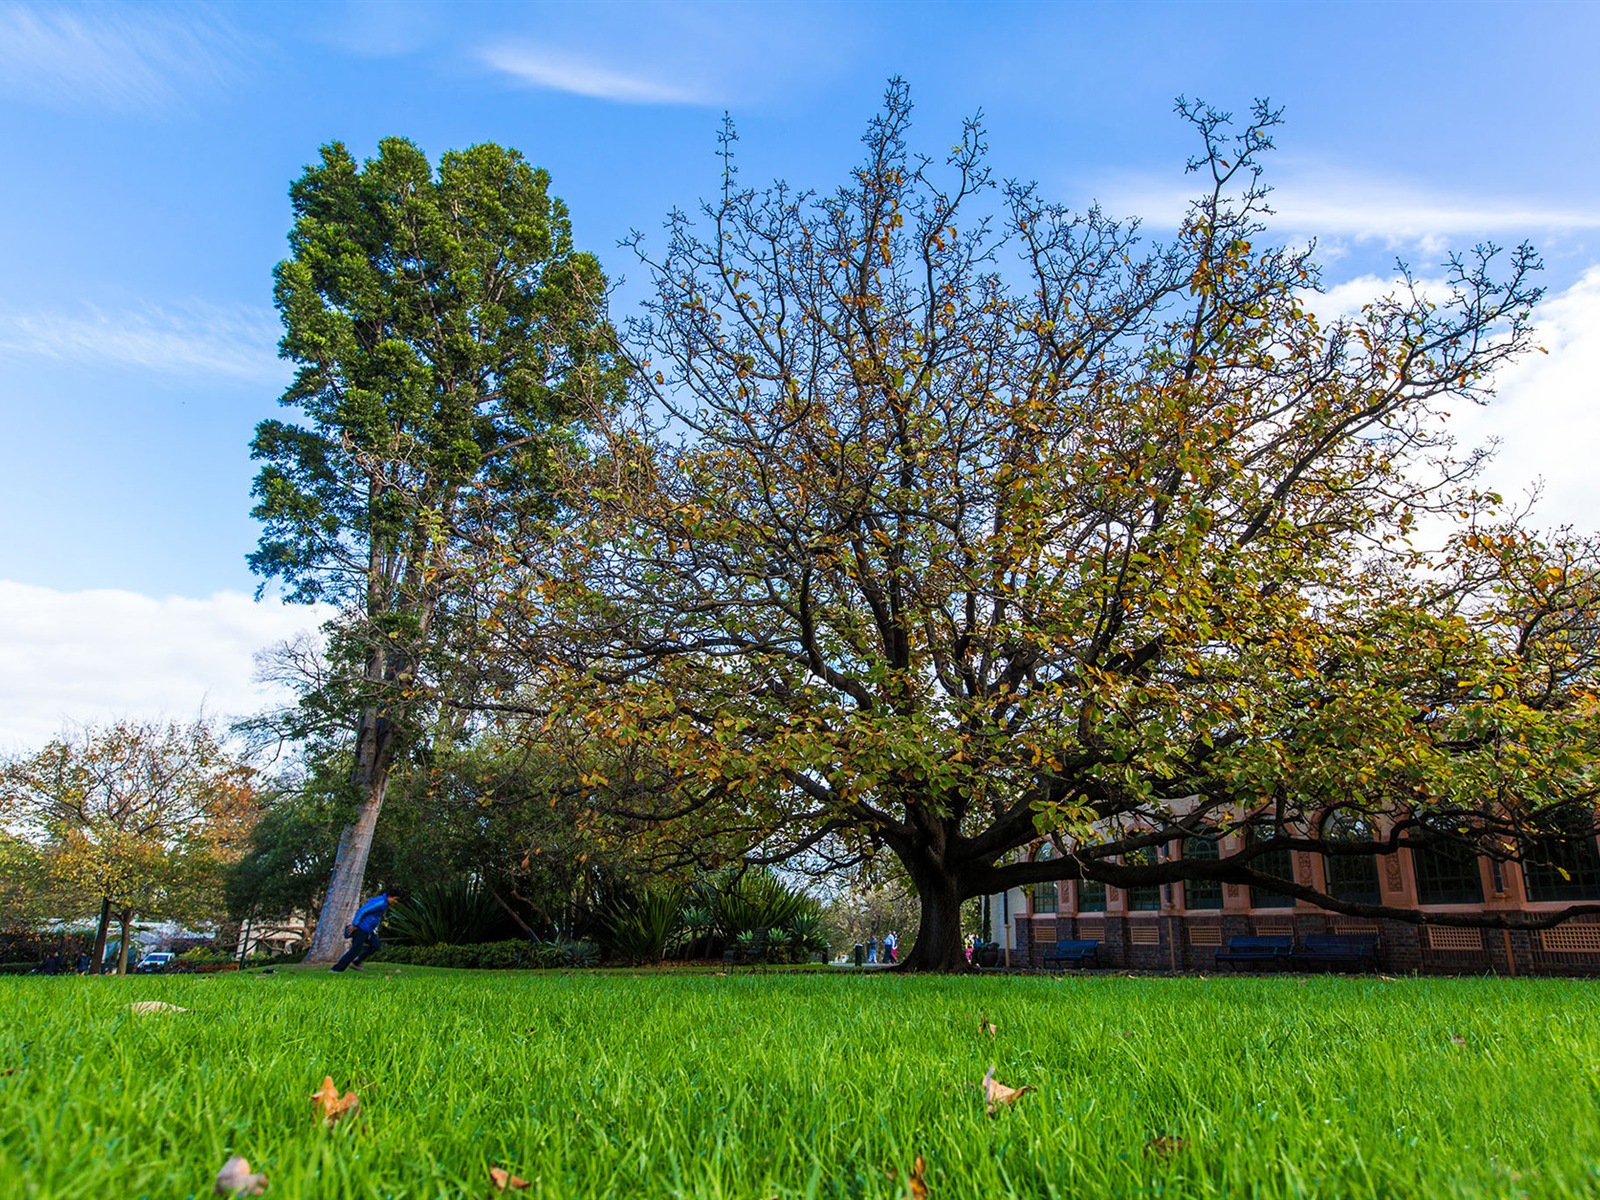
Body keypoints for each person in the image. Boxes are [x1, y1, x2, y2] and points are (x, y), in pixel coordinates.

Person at [331, 890, 393, 973]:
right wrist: (355, 924)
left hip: (368, 930)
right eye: (395, 899)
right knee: (355, 949)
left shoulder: (384, 904)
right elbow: (362, 910)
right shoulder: (380, 902)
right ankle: (336, 969)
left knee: (376, 945)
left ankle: (356, 962)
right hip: (361, 928)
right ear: (389, 896)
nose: (395, 902)